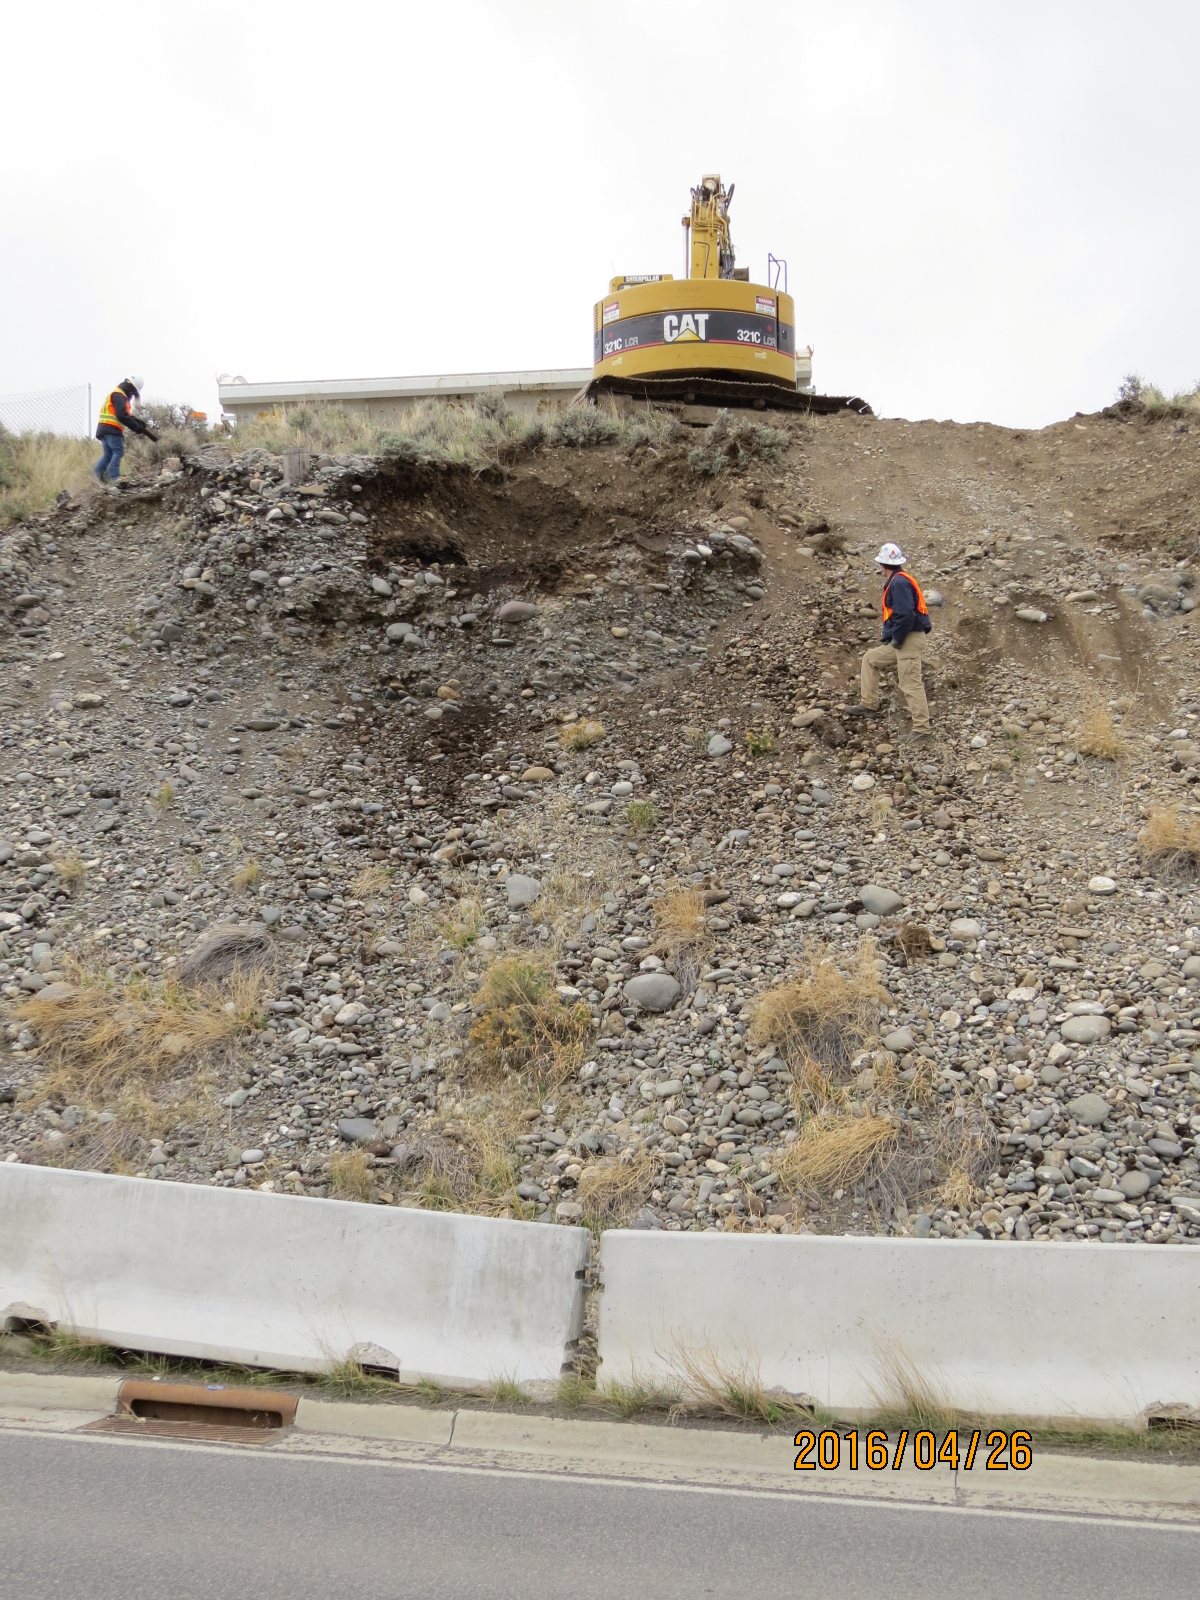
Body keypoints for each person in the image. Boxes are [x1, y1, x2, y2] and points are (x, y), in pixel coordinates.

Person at [847, 542, 932, 739]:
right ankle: (868, 705)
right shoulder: (899, 579)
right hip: (904, 638)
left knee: (910, 682)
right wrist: (892, 638)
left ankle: (922, 729)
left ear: (882, 565)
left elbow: (906, 614)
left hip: (908, 639)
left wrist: (896, 638)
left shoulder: (899, 583)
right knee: (871, 659)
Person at [94, 376, 157, 484]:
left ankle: (96, 478)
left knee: (108, 455)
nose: (133, 396)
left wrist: (136, 421)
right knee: (118, 451)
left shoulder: (116, 393)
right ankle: (115, 478)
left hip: (104, 429)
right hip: (112, 429)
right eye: (134, 393)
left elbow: (122, 414)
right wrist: (136, 427)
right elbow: (121, 416)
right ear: (132, 389)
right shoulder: (120, 395)